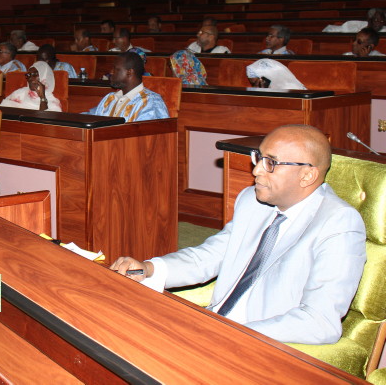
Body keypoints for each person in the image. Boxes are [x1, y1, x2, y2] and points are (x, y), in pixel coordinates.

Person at [111, 125, 366, 345]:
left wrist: (231, 333)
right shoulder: (252, 201)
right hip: (214, 326)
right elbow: (210, 256)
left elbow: (320, 321)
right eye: (259, 158)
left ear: (307, 175)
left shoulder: (338, 223)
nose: (256, 171)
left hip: (261, 346)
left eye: (271, 163)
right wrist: (148, 268)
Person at [85, 52, 169, 121]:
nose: (111, 72)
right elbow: (89, 117)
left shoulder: (150, 103)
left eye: (115, 69)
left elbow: (147, 139)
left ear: (129, 72)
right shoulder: (110, 98)